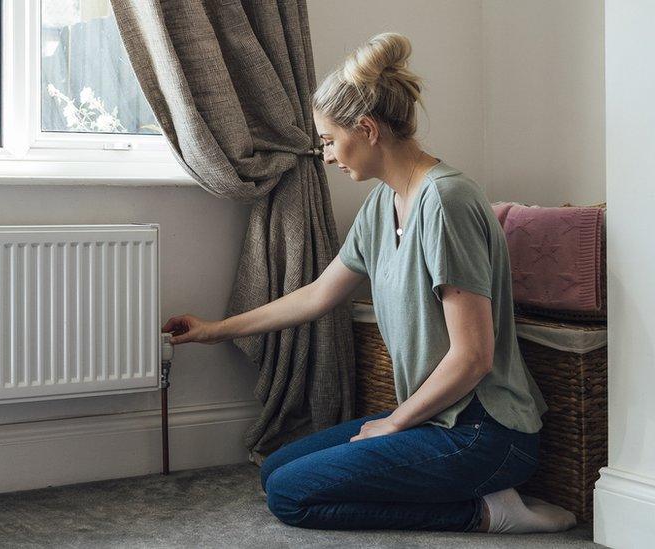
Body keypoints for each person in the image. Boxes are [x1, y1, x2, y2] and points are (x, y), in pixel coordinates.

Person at [160, 32, 577, 534]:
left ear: (367, 129)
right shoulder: (381, 205)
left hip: (482, 432)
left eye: (330, 140)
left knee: (292, 498)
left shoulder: (446, 202)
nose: (328, 156)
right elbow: (319, 295)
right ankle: (466, 488)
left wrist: (395, 423)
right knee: (276, 470)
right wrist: (213, 330)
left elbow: (473, 357)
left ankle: (489, 512)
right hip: (434, 418)